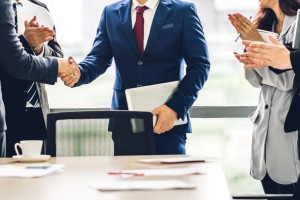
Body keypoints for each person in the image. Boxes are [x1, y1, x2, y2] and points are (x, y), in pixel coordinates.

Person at [62, 0, 210, 155]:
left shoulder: (183, 11)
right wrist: (78, 73)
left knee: (168, 177)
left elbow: (200, 65)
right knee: (126, 178)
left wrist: (175, 108)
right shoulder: (110, 13)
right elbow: (98, 59)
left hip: (167, 118)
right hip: (125, 120)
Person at [229, 0, 300, 195]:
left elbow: (288, 80)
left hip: (287, 137)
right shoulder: (264, 24)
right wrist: (252, 44)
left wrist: (259, 46)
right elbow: (253, 79)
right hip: (264, 136)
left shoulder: (297, 23)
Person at [0, 0, 80, 157]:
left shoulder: (40, 8)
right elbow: (11, 58)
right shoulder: (4, 6)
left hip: (36, 112)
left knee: (38, 174)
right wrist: (26, 43)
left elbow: (57, 56)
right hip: (7, 110)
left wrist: (39, 48)